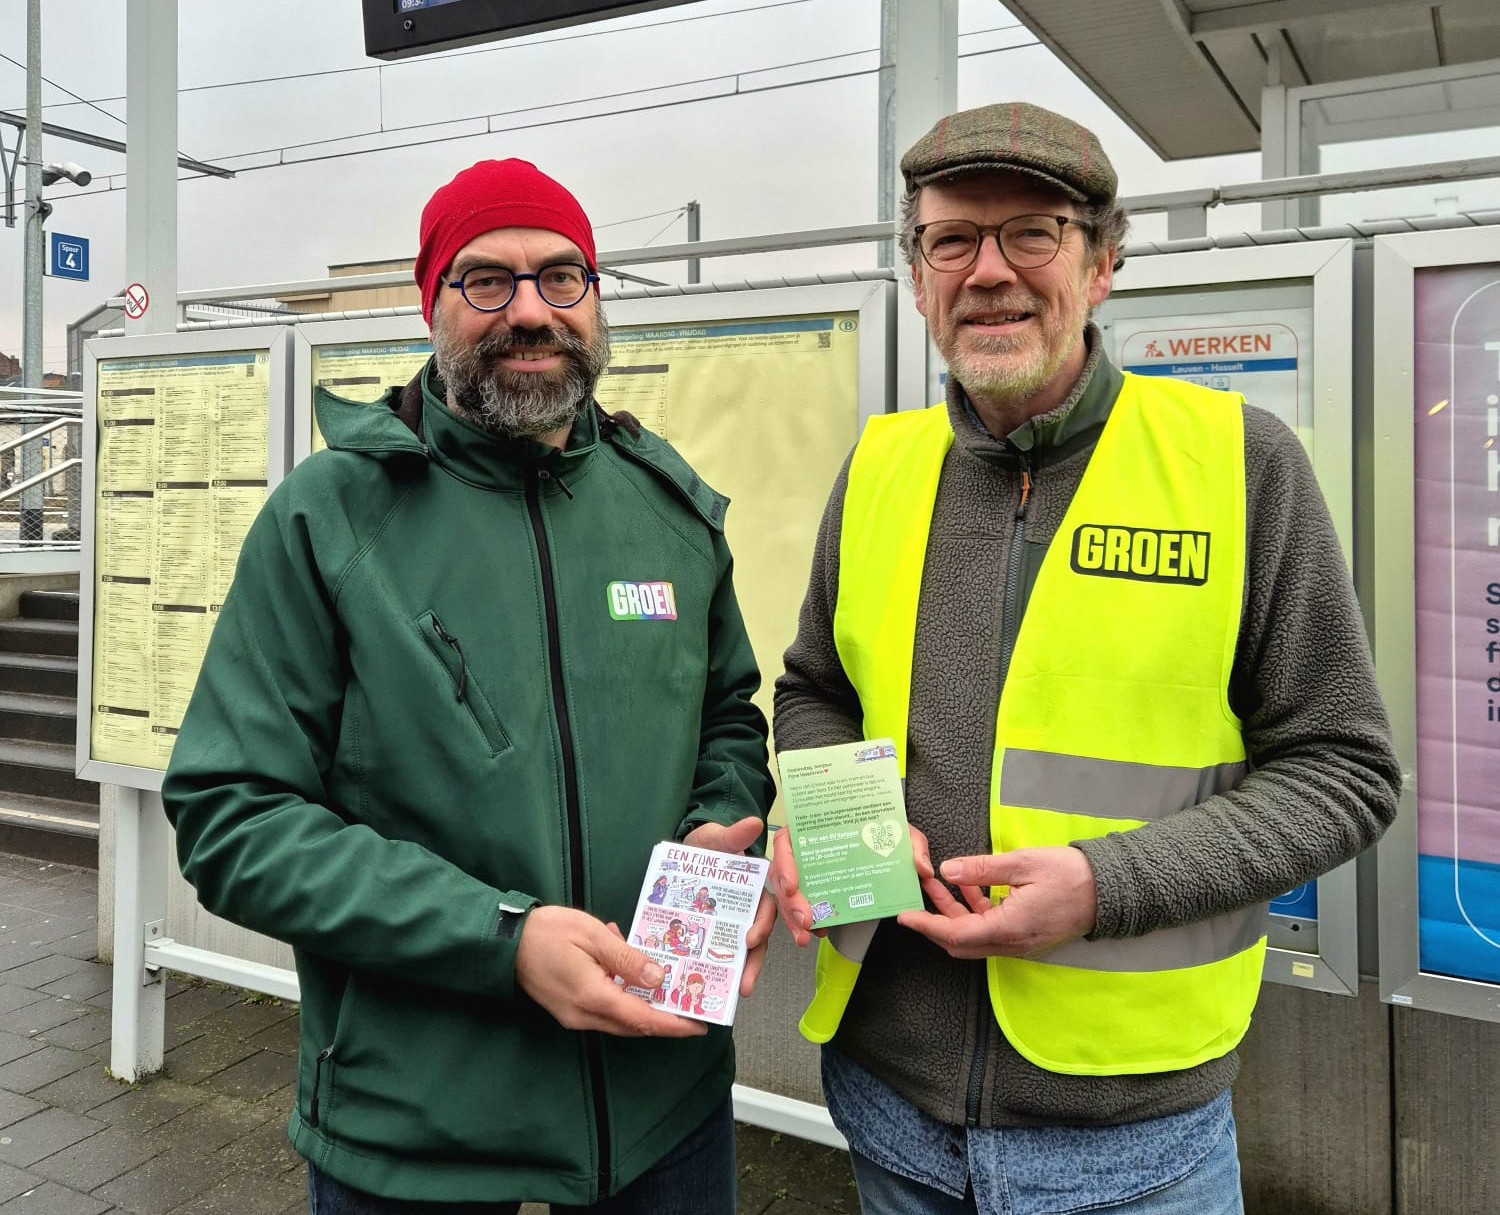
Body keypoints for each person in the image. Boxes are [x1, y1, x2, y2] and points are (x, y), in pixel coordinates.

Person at [770, 102, 1401, 1215]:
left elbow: (1344, 772)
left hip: (1135, 1146)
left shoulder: (1239, 463)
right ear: (917, 276)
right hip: (887, 1109)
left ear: (1103, 265)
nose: (989, 272)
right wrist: (837, 828)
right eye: (952, 239)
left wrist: (1105, 888)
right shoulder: (879, 465)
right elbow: (817, 689)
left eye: (1034, 233)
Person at [162, 158, 776, 1213]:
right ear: (430, 305)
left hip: (661, 1102)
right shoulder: (329, 518)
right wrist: (499, 937)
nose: (531, 310)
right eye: (486, 280)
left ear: (597, 299)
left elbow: (727, 711)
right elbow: (232, 818)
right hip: (417, 1128)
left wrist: (726, 809)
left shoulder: (666, 507)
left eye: (563, 277)